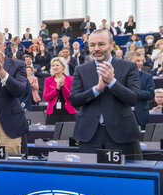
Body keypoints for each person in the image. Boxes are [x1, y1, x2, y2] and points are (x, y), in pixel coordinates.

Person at [70, 29, 141, 157]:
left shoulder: (129, 67)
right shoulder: (81, 70)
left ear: (112, 45)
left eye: (101, 44)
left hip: (122, 134)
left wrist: (112, 82)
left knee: (123, 175)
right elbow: (74, 100)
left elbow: (133, 98)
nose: (96, 48)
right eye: (92, 45)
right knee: (90, 176)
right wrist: (96, 89)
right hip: (89, 135)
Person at [43, 58, 75, 125]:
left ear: (63, 66)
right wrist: (57, 89)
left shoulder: (71, 79)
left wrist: (63, 87)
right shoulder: (48, 80)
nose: (55, 67)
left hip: (68, 113)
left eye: (57, 65)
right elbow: (46, 98)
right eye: (53, 65)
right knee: (52, 134)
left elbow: (72, 97)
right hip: (52, 114)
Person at [132, 52, 155, 131]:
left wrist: (134, 92)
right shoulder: (120, 75)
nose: (141, 63)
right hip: (122, 115)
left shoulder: (147, 77)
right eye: (137, 61)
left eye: (142, 61)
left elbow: (150, 94)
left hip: (141, 115)